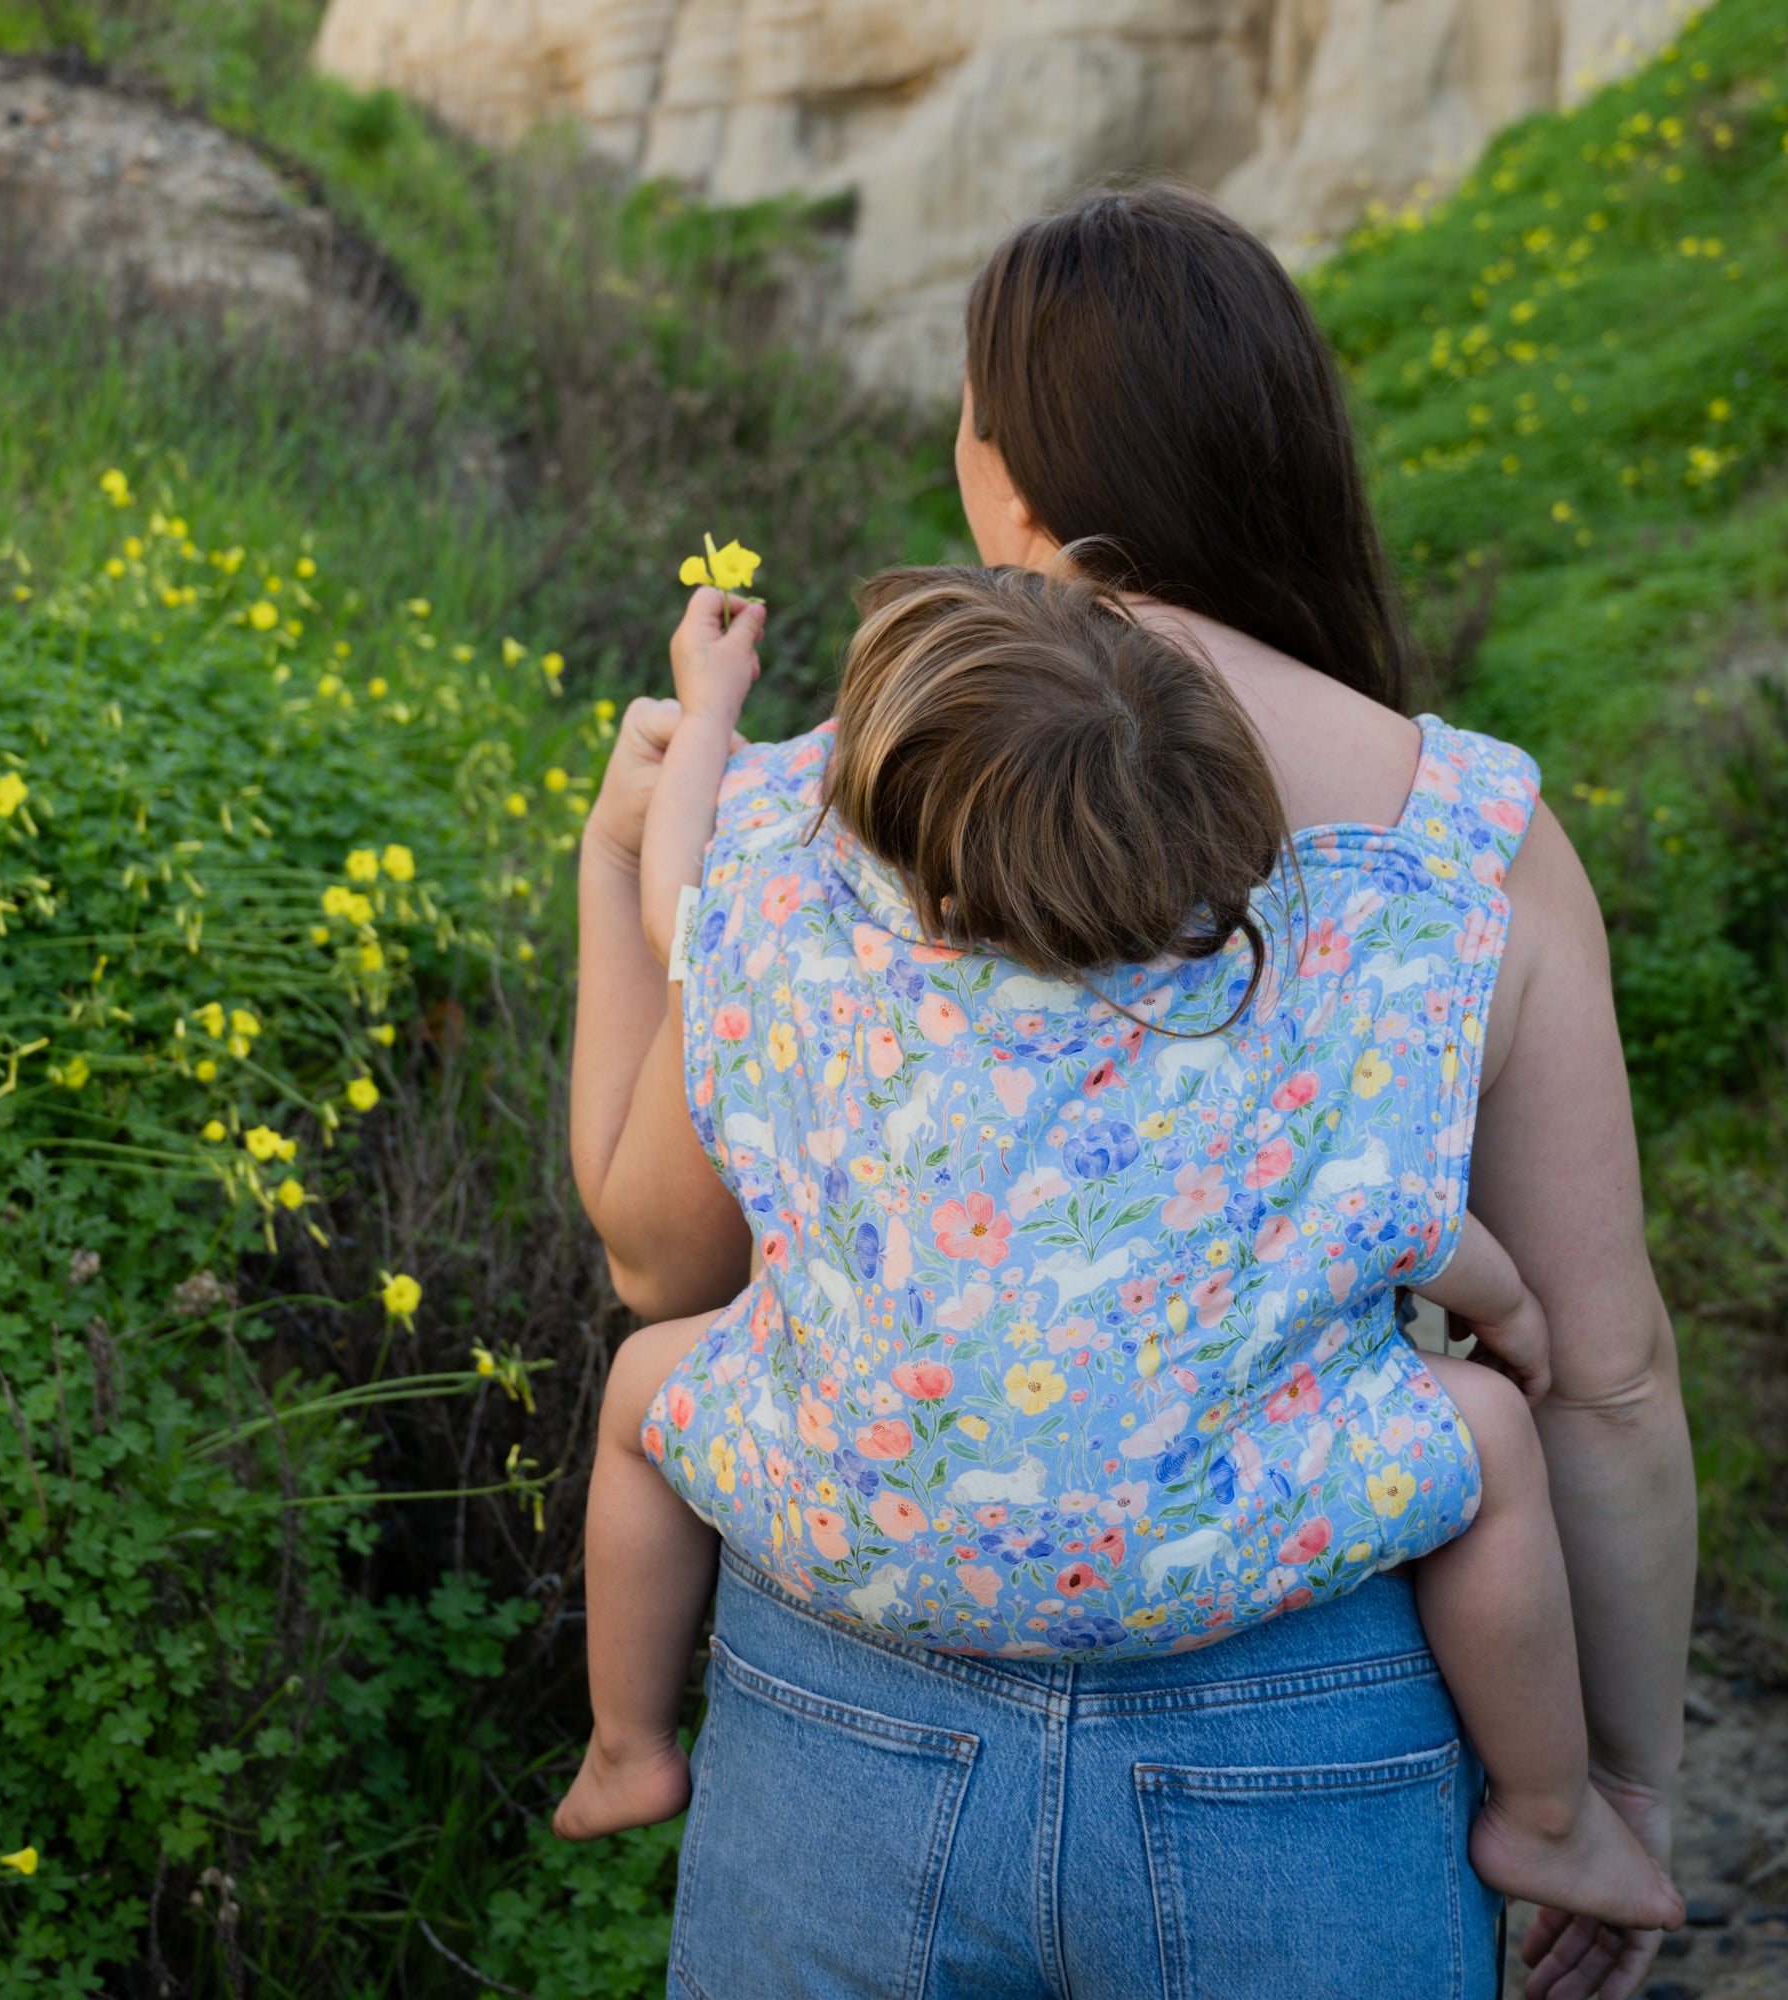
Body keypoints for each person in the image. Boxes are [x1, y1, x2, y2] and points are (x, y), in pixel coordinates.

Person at [568, 184, 1695, 2000]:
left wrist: (608, 884)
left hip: (851, 1709)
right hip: (1307, 1736)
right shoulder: (1468, 836)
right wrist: (1613, 1785)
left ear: (1006, 482)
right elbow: (1610, 1378)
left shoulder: (803, 804)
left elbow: (655, 1267)